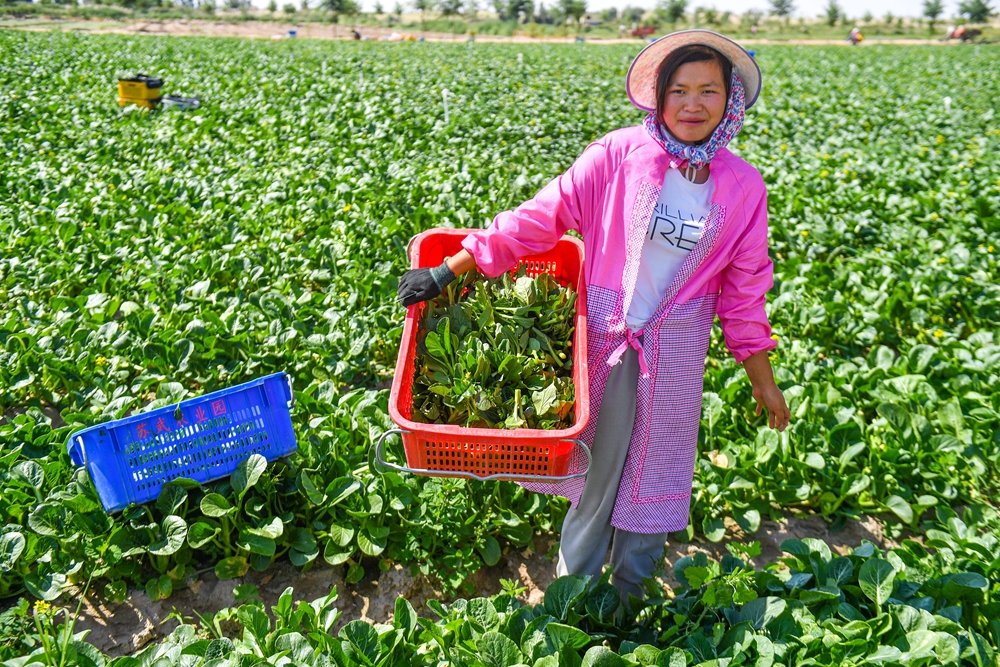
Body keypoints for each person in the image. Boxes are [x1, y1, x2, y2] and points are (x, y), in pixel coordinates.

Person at [396, 29, 790, 602]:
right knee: (596, 478)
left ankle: (631, 602)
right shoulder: (620, 155)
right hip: (604, 343)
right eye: (678, 90)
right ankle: (572, 602)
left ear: (729, 100)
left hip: (675, 352)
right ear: (659, 97)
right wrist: (456, 266)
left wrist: (764, 382)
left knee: (657, 475)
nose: (692, 104)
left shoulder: (742, 187)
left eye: (708, 90)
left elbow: (745, 294)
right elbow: (542, 217)